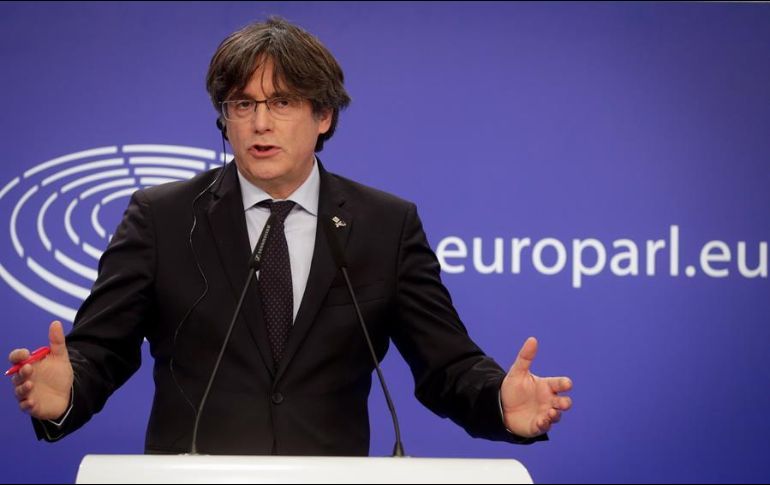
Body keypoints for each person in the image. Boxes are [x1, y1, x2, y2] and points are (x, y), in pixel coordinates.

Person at [8, 17, 572, 455]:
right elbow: (101, 349)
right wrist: (65, 393)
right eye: (243, 105)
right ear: (224, 118)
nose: (259, 123)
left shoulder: (385, 225)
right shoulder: (162, 218)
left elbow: (446, 366)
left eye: (281, 103)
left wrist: (501, 402)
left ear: (323, 115)